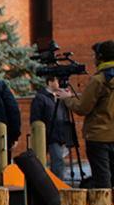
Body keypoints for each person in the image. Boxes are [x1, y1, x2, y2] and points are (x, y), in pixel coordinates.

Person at [58, 40, 114, 188]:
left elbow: (82, 108)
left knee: (102, 181)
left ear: (100, 57)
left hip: (98, 137)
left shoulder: (99, 80)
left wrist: (67, 99)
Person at [30, 75, 77, 180]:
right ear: (50, 82)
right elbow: (35, 118)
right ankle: (57, 185)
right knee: (57, 161)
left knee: (59, 161)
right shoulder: (41, 98)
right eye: (57, 81)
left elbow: (65, 116)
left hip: (61, 135)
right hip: (49, 135)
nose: (60, 83)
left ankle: (57, 182)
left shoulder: (61, 98)